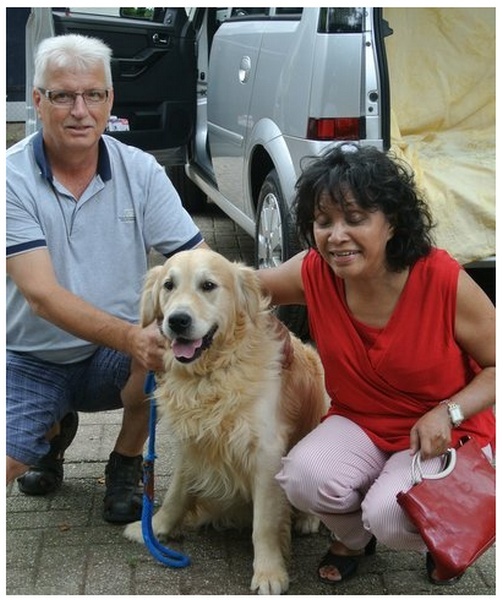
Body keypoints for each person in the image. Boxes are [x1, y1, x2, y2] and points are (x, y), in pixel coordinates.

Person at [258, 144, 495, 585]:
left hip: (447, 431)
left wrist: (450, 411)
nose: (336, 235)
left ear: (392, 222)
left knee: (389, 515)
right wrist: (178, 306)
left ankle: (434, 531)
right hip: (361, 422)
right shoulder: (315, 272)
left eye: (355, 218)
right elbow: (243, 289)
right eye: (323, 221)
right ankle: (355, 536)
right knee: (301, 478)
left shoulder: (441, 279)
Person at [6, 33, 209, 523]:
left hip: (112, 358)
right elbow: (41, 296)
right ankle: (50, 437)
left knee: (170, 350)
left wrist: (245, 318)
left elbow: (199, 261)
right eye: (63, 96)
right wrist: (131, 336)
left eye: (93, 94)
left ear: (109, 100)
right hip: (32, 357)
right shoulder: (8, 179)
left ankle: (124, 461)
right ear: (38, 101)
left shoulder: (141, 171)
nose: (81, 110)